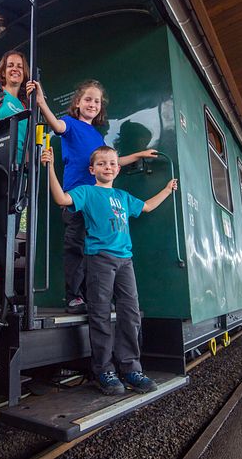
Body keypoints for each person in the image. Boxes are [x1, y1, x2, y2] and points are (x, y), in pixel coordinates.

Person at [41, 144, 178, 395]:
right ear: (92, 169)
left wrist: (168, 190)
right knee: (100, 314)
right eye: (103, 163)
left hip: (125, 261)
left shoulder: (123, 197)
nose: (109, 167)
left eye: (113, 163)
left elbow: (146, 207)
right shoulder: (86, 192)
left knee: (130, 314)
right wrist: (49, 167)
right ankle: (103, 370)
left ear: (118, 168)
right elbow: (61, 199)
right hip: (99, 259)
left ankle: (130, 369)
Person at [26, 79, 157, 314]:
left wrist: (139, 154)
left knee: (95, 251)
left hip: (98, 202)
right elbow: (56, 126)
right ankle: (74, 297)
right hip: (78, 198)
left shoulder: (97, 137)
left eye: (97, 101)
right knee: (75, 247)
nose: (92, 104)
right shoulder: (70, 124)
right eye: (88, 99)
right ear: (77, 103)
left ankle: (95, 297)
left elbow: (112, 161)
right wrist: (41, 102)